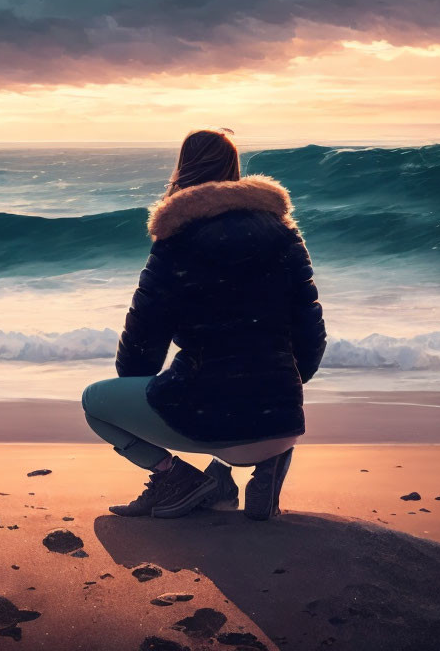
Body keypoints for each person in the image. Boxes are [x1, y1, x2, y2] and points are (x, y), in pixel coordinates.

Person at [81, 128, 326, 521]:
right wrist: (279, 388)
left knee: (94, 403)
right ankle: (266, 468)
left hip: (209, 427)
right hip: (282, 424)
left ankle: (177, 478)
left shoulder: (176, 242)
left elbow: (140, 350)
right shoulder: (284, 235)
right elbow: (311, 335)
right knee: (251, 383)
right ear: (235, 169)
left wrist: (137, 386)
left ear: (183, 169)